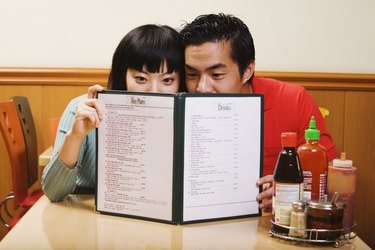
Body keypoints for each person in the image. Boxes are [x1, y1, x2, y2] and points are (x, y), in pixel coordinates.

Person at [180, 13, 338, 210]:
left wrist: (292, 192)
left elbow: (331, 177)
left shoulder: (293, 100)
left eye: (217, 75)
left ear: (247, 70)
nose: (202, 88)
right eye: (192, 75)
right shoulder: (179, 103)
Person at [42, 24, 186, 202]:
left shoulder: (186, 121)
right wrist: (76, 136)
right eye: (141, 78)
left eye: (167, 80)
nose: (153, 91)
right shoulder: (85, 110)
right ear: (122, 75)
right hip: (89, 217)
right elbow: (53, 192)